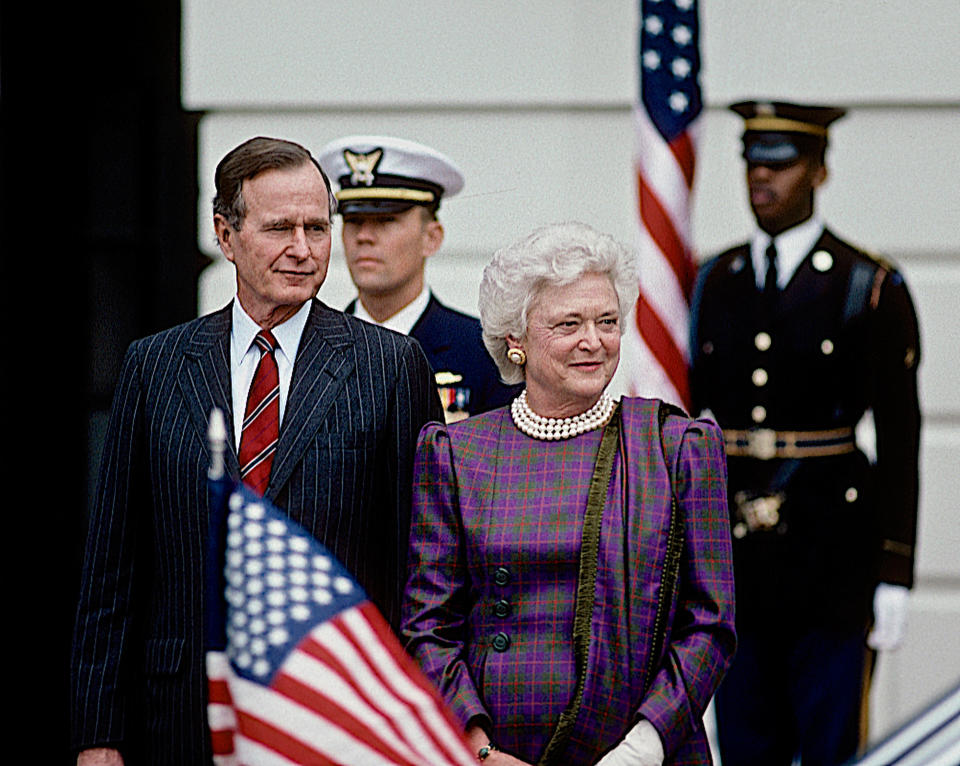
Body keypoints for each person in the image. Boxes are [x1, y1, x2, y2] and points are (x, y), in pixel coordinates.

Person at [70, 137, 443, 766]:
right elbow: (114, 567)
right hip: (177, 715)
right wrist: (97, 734)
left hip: (331, 715)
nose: (303, 249)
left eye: (317, 228)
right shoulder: (155, 366)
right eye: (278, 229)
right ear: (226, 233)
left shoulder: (390, 366)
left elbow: (420, 566)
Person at [401, 221, 737, 765]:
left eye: (607, 321)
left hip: (642, 752)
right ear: (516, 339)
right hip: (496, 751)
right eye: (568, 323)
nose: (594, 341)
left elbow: (711, 626)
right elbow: (429, 626)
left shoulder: (678, 448)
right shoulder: (456, 453)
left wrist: (642, 748)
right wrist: (478, 749)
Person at [690, 101, 922, 765]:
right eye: (752, 163)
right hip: (734, 560)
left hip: (834, 558)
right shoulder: (716, 279)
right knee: (744, 743)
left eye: (780, 164)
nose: (761, 178)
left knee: (828, 748)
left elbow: (900, 436)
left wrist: (896, 570)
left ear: (818, 170)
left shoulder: (867, 284)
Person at [318, 135, 520, 422]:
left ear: (432, 238)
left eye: (386, 221)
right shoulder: (313, 348)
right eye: (354, 221)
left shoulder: (484, 353)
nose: (364, 236)